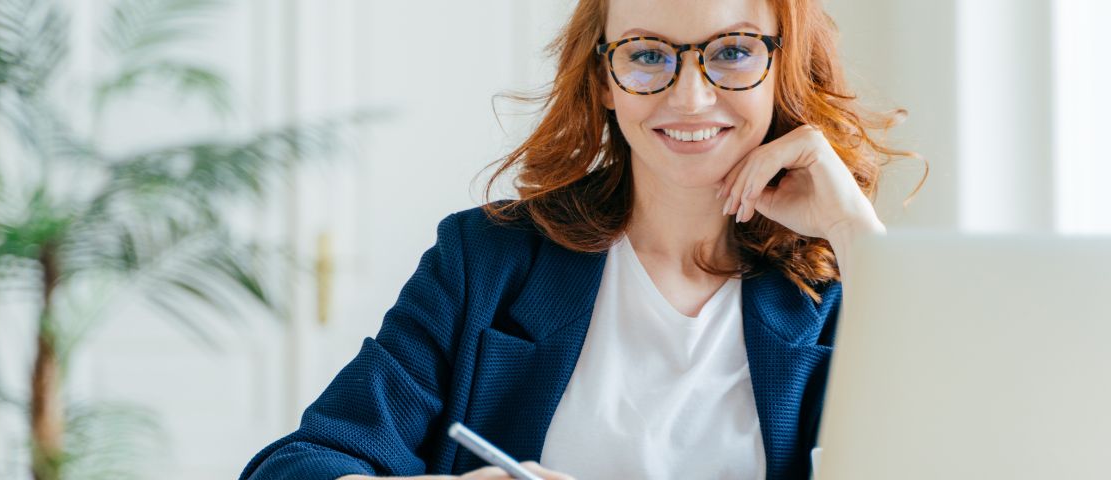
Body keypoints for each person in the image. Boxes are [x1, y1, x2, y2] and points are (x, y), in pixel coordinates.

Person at [240, 0, 920, 478]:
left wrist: (852, 229)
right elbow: (297, 466)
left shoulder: (838, 289)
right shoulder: (485, 261)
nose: (689, 96)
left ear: (782, 66)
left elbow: (967, 448)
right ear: (603, 80)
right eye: (648, 54)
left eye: (734, 52)